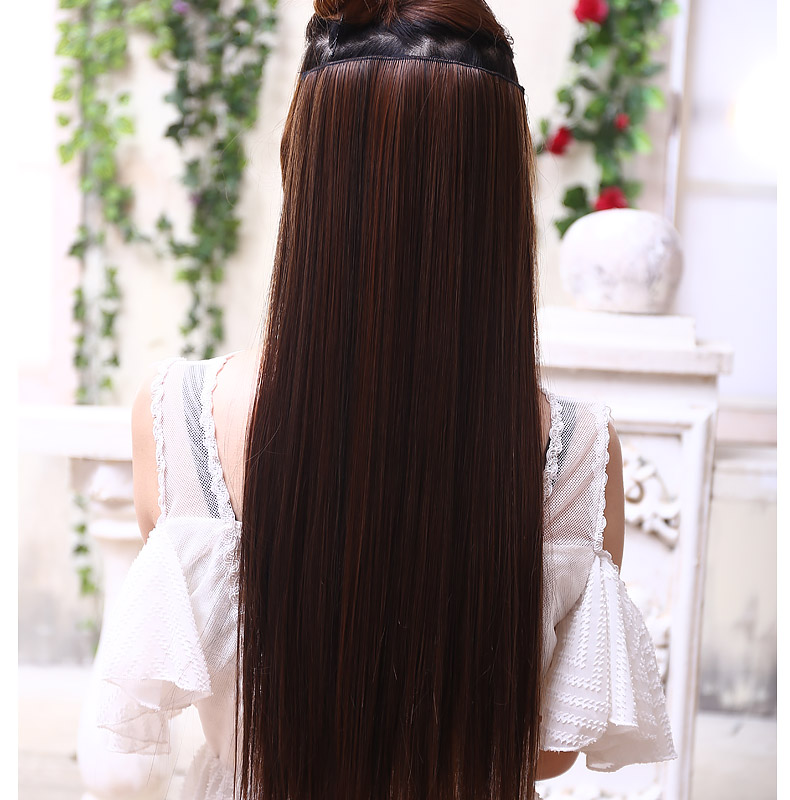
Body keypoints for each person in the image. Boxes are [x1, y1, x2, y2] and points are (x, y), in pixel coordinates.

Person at [95, 1, 677, 798]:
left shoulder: (180, 417)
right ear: (505, 188)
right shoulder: (576, 453)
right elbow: (546, 754)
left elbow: (177, 688)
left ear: (299, 159)